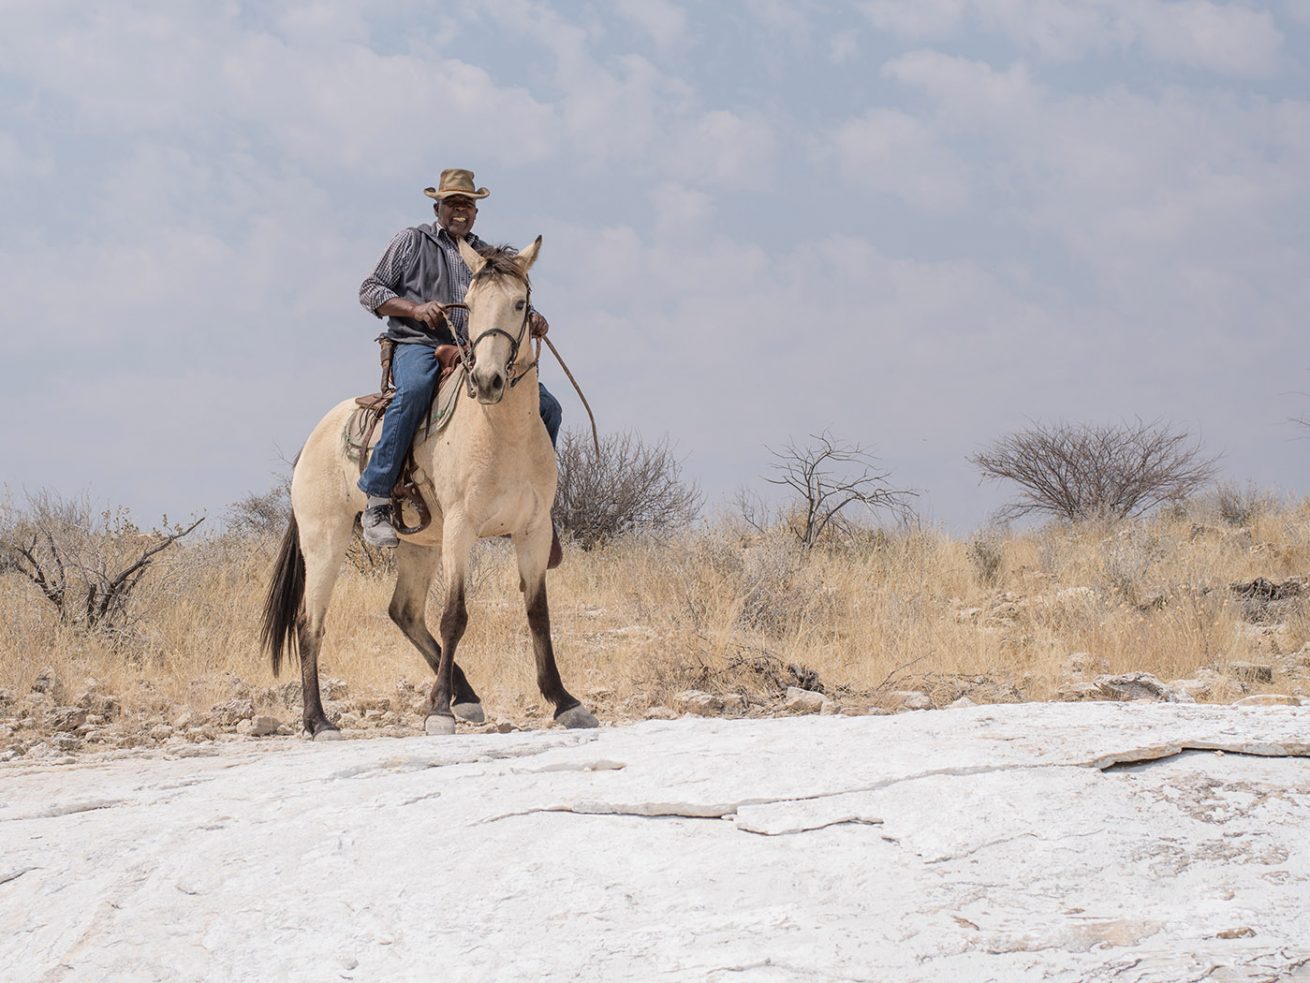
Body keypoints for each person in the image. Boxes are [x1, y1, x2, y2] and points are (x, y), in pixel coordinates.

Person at [356, 168, 563, 547]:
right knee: (415, 390)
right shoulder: (411, 241)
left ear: (476, 212)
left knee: (547, 407)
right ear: (437, 208)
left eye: (467, 204)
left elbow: (503, 301)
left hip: (471, 351)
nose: (460, 211)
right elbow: (370, 289)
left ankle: (533, 499)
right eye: (452, 203)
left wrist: (531, 318)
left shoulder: (486, 256)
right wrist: (415, 309)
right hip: (417, 343)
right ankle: (378, 497)